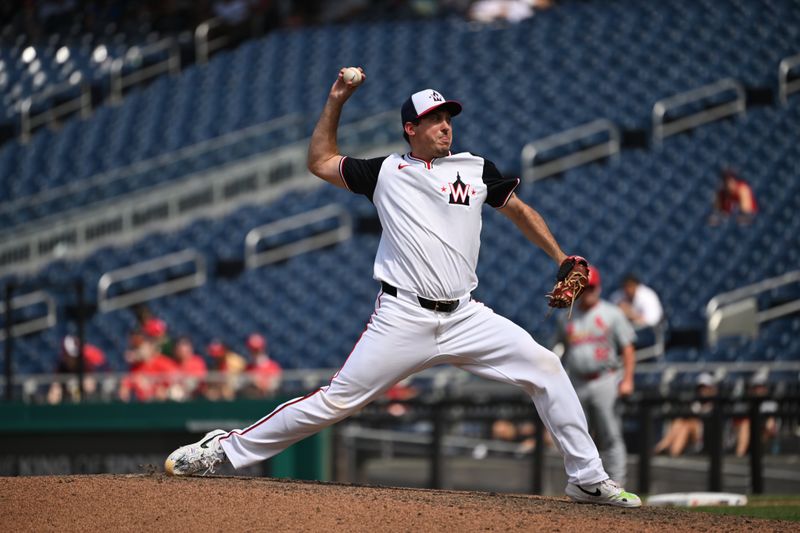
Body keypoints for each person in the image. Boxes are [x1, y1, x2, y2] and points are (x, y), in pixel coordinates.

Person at [165, 67, 641, 508]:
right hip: (403, 316)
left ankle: (586, 477)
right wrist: (336, 100)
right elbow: (319, 160)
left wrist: (560, 258)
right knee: (335, 402)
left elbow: (517, 209)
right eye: (433, 118)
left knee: (546, 366)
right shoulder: (385, 172)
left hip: (465, 316)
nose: (445, 125)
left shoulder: (476, 169)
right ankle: (222, 450)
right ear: (410, 128)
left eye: (447, 116)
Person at [554, 266, 636, 486]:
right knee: (578, 435)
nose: (588, 291)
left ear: (598, 288)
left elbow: (628, 348)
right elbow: (560, 349)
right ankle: (583, 483)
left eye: (591, 287)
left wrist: (627, 379)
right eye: (584, 287)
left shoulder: (612, 314)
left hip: (605, 379)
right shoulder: (567, 317)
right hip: (577, 381)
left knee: (610, 435)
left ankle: (617, 483)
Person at [654, 372, 718, 457]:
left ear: (711, 389)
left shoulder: (716, 405)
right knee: (681, 424)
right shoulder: (695, 404)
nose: (703, 390)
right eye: (700, 387)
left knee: (686, 423)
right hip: (690, 435)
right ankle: (672, 453)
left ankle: (659, 448)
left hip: (706, 438)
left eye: (706, 387)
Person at [46, 335, 106, 404]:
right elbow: (54, 390)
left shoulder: (84, 364)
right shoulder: (61, 368)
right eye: (70, 356)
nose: (74, 359)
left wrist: (79, 386)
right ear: (65, 355)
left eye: (75, 356)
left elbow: (91, 386)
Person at [244, 333, 283, 397]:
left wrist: (259, 384)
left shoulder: (273, 366)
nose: (255, 352)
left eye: (257, 350)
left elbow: (275, 385)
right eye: (252, 350)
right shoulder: (248, 367)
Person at [171, 336, 209, 400]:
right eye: (179, 350)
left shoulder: (197, 362)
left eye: (185, 350)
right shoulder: (170, 363)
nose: (182, 352)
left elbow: (198, 381)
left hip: (195, 396)